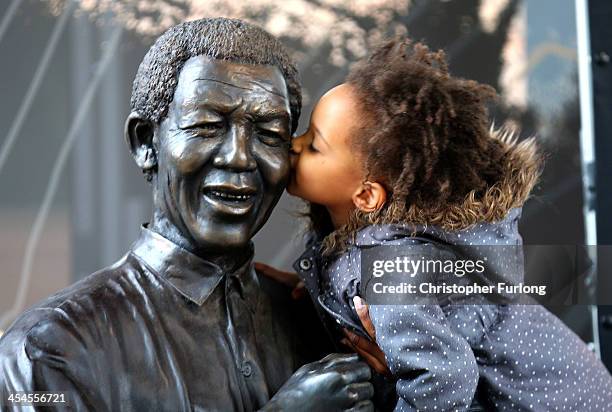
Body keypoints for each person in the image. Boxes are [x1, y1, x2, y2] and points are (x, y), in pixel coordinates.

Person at [0, 18, 376, 411]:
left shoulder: (329, 319)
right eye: (207, 126)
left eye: (268, 134)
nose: (239, 157)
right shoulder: (47, 350)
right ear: (146, 142)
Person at [258, 38, 612, 410]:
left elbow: (443, 379)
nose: (294, 144)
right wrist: (314, 287)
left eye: (315, 145)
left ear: (366, 196)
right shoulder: (368, 245)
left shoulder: (393, 267)